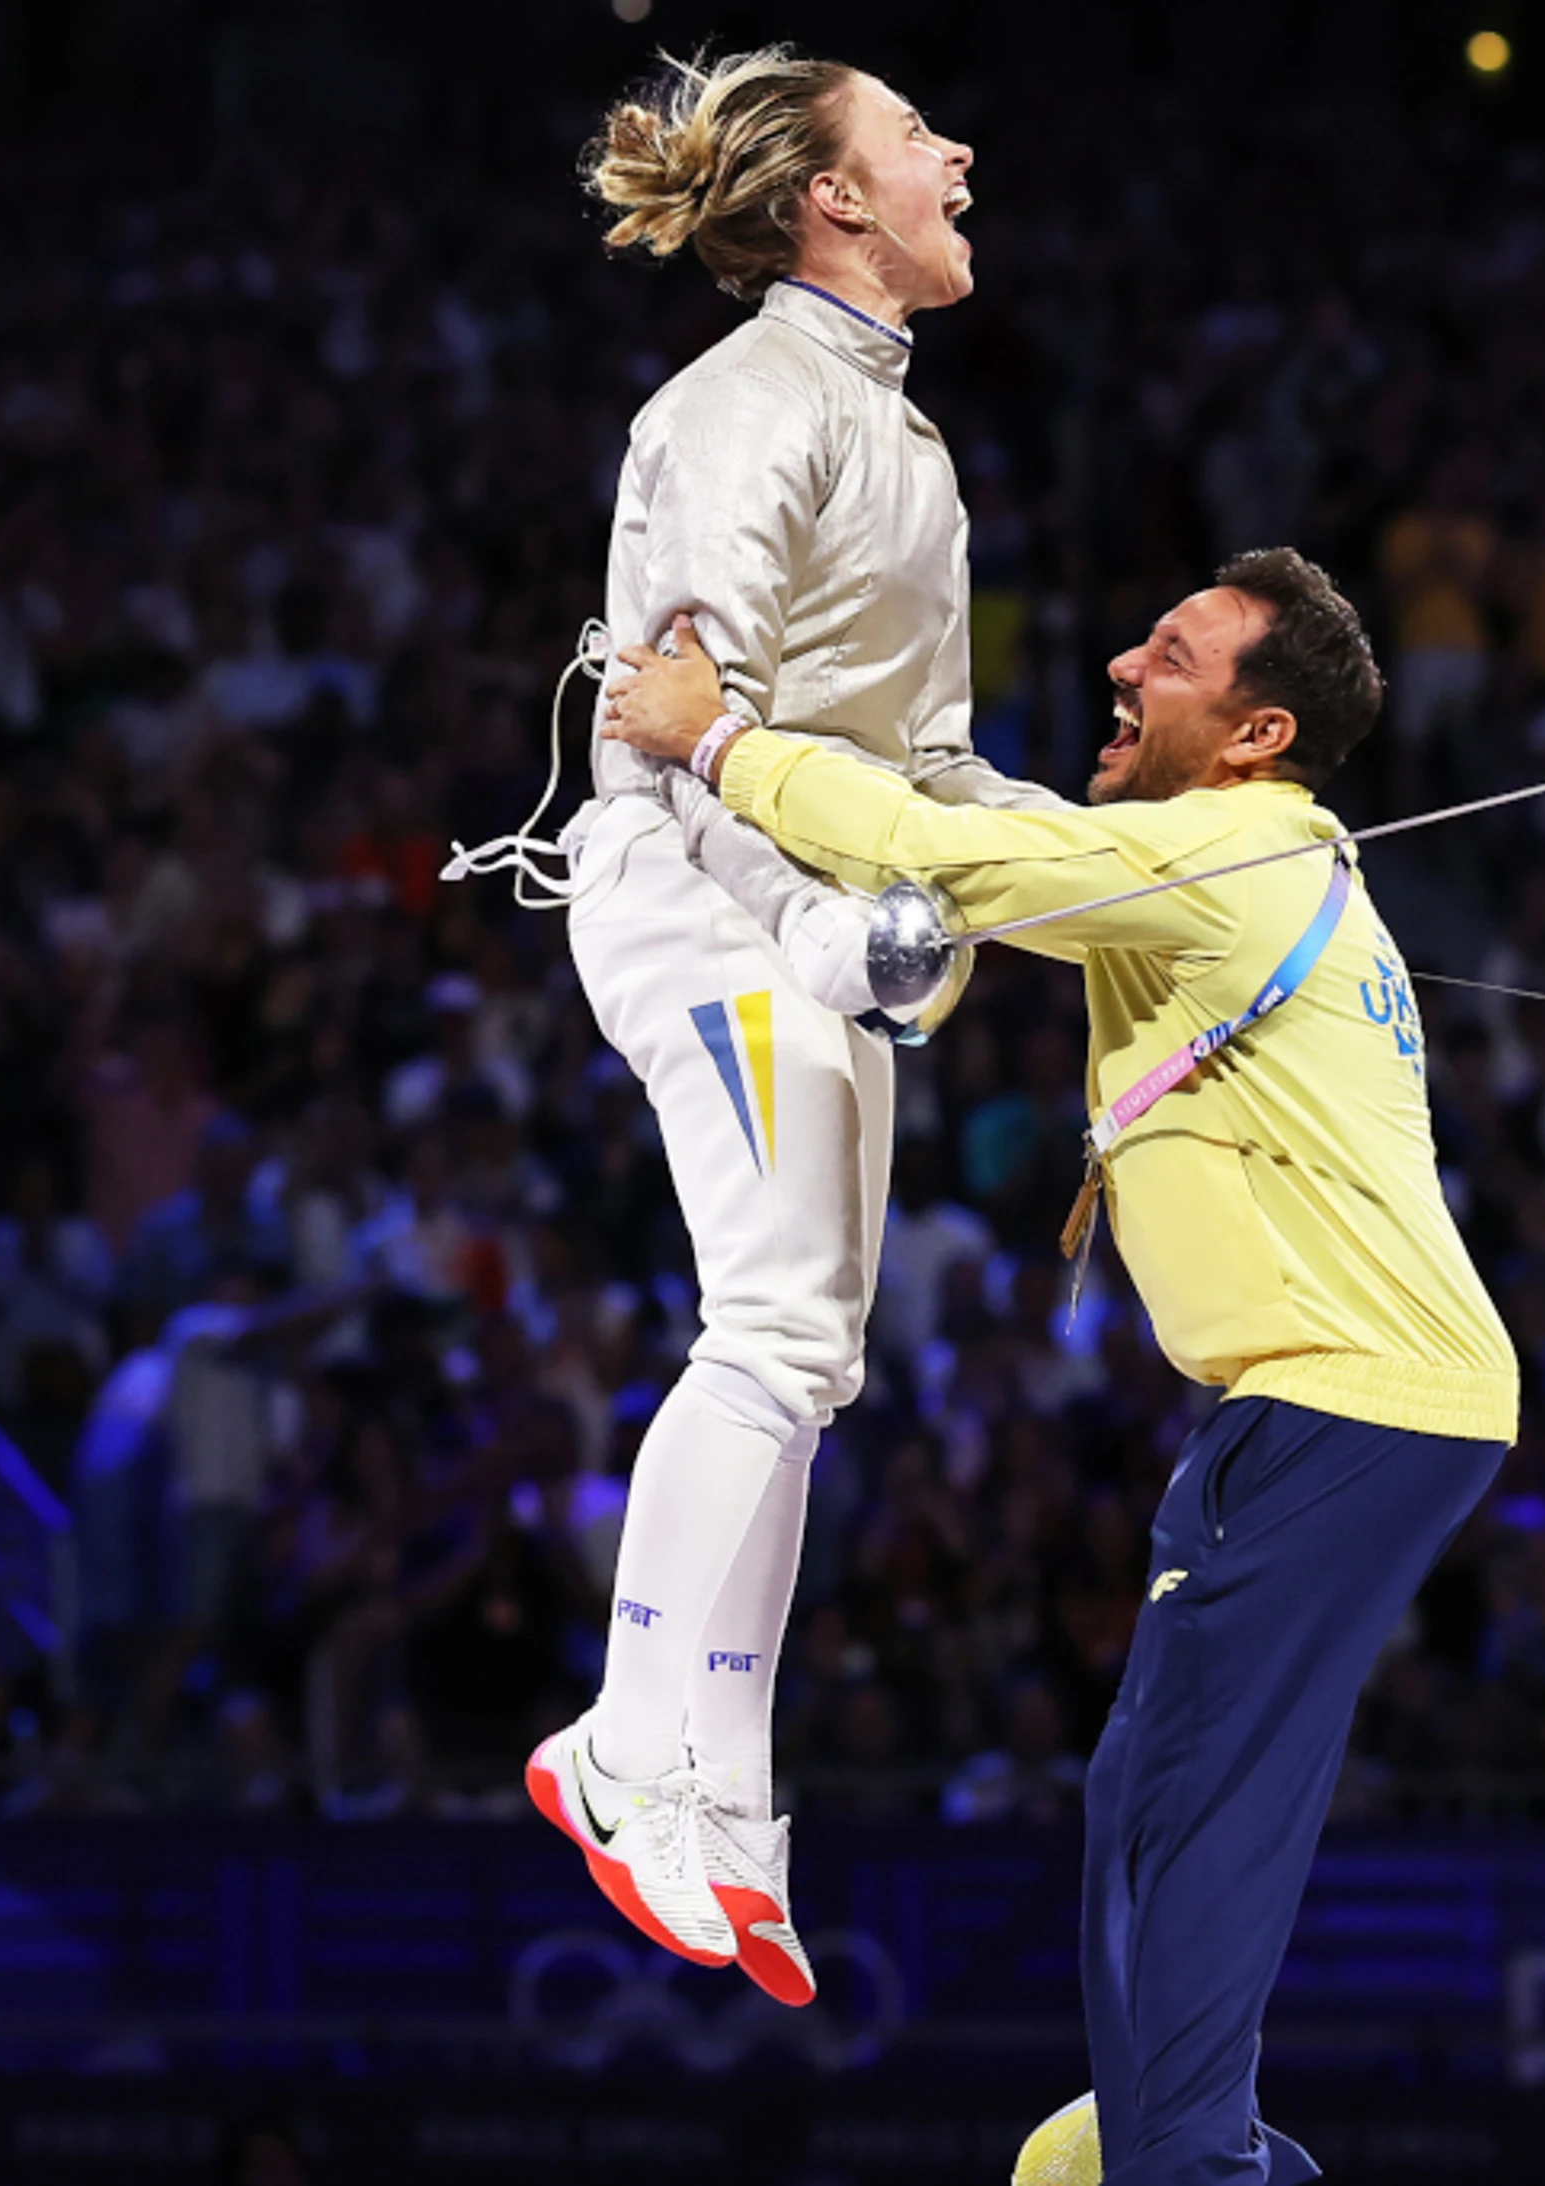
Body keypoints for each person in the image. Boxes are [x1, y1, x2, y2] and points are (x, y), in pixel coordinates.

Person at [602, 549, 1517, 2186]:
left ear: (1257, 733)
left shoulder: (1228, 858)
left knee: (1178, 1789)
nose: (1120, 660)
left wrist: (719, 741)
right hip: (1357, 1401)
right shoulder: (1236, 858)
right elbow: (1003, 838)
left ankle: (1185, 2163)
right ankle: (1191, 2139)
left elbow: (965, 857)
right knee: (1171, 1782)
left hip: (1342, 1400)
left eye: (1171, 654)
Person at [500, 41, 1031, 2011]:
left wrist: (1149, 878)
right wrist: (826, 919)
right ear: (831, 196)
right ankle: (624, 1748)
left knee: (812, 1364)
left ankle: (723, 1790)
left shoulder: (907, 442)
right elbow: (678, 710)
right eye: (917, 136)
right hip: (708, 909)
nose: (958, 150)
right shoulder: (738, 409)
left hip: (819, 934)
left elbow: (945, 774)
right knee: (775, 1332)